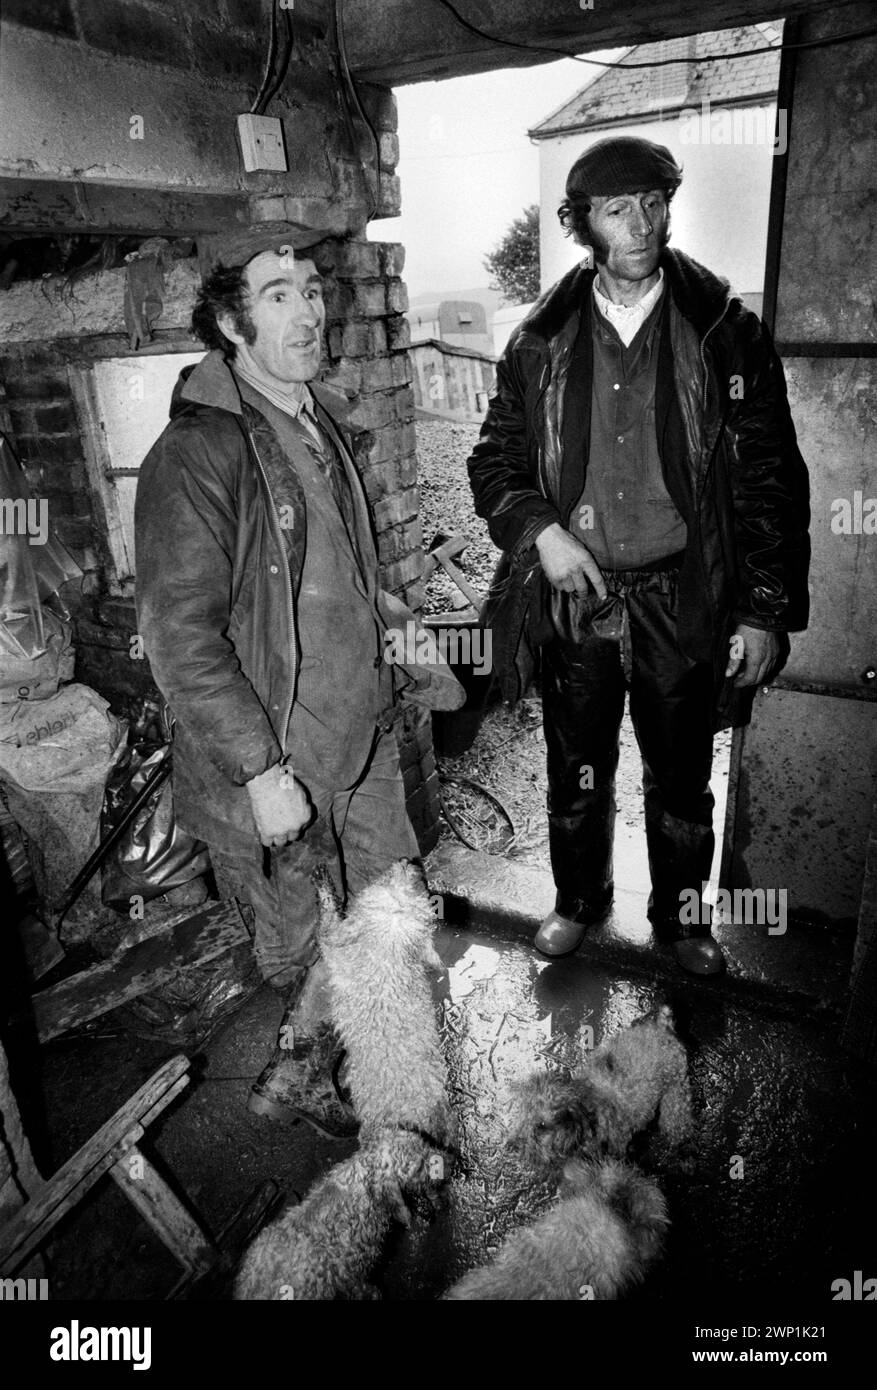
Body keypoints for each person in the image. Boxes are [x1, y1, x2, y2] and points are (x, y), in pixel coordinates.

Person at [135, 225, 461, 1133]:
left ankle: (377, 1072)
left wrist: (402, 635)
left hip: (359, 735)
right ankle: (307, 1068)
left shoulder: (318, 420)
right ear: (232, 324)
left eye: (312, 290)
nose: (309, 311)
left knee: (382, 914)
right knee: (302, 937)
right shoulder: (198, 454)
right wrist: (259, 769)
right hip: (284, 755)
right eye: (278, 294)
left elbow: (342, 575)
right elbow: (178, 637)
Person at [467, 137, 809, 976]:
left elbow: (770, 480)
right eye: (619, 208)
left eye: (656, 202)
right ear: (582, 223)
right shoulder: (538, 341)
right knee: (576, 763)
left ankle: (682, 921)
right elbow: (494, 460)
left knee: (682, 774)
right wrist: (540, 532)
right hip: (577, 594)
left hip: (682, 593)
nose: (643, 223)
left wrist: (762, 608)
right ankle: (579, 902)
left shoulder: (724, 332)